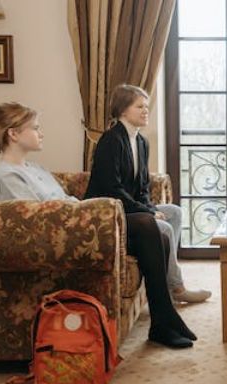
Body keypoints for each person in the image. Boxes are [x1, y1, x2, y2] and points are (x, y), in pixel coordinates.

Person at [0, 102, 196, 349]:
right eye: (35, 128)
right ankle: (164, 320)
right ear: (14, 134)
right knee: (147, 223)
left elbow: (61, 201)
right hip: (62, 239)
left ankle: (162, 322)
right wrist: (88, 212)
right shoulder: (8, 175)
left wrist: (87, 211)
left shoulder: (34, 168)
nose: (41, 133)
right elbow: (35, 220)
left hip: (78, 227)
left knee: (160, 236)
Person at [84, 84, 211, 304]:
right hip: (108, 213)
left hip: (132, 209)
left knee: (174, 212)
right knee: (164, 227)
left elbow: (142, 187)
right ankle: (177, 287)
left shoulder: (141, 142)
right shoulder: (110, 140)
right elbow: (112, 189)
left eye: (146, 106)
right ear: (123, 110)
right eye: (139, 106)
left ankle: (167, 279)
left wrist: (150, 208)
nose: (145, 111)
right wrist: (148, 212)